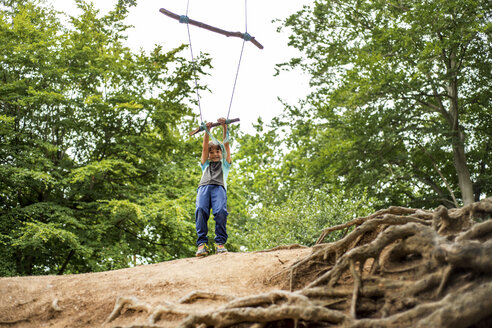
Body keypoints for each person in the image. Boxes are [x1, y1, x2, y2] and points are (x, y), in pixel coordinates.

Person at [195, 117, 232, 256]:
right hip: (204, 188)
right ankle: (202, 244)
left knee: (221, 212)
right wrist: (207, 131)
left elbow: (226, 145)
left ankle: (220, 243)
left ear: (221, 153)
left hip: (219, 188)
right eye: (212, 152)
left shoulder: (225, 165)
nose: (215, 154)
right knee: (200, 210)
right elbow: (204, 147)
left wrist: (224, 127)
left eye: (217, 151)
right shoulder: (205, 164)